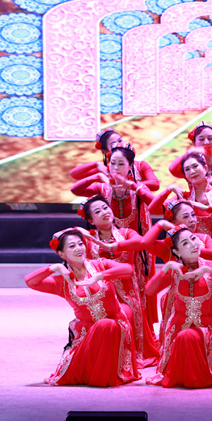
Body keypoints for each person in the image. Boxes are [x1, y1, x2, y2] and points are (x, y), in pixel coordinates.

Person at [25, 229, 140, 386]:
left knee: (105, 324)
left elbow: (128, 270)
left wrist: (99, 276)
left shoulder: (100, 265)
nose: (79, 248)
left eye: (80, 244)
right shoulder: (62, 282)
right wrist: (54, 268)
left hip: (114, 326)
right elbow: (31, 281)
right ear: (61, 254)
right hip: (86, 335)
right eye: (72, 246)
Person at [70, 142, 158, 324]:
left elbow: (156, 205)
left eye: (121, 164)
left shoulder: (138, 187)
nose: (115, 168)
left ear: (130, 166)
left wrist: (134, 186)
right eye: (112, 163)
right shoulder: (103, 188)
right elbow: (75, 189)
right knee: (108, 285)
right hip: (107, 246)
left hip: (137, 246)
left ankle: (143, 329)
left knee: (140, 285)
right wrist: (96, 175)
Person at [162, 152, 212, 347]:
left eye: (195, 166)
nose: (192, 171)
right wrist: (168, 190)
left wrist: (208, 208)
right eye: (187, 169)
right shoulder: (184, 196)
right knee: (191, 293)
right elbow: (155, 209)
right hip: (188, 254)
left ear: (206, 168)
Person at [145, 225, 212, 388]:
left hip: (208, 327)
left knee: (188, 337)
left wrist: (208, 270)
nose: (193, 244)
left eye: (193, 238)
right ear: (176, 252)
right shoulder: (174, 270)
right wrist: (165, 269)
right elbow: (150, 290)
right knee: (185, 336)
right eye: (185, 243)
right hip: (178, 328)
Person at [77, 195, 159, 367]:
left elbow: (141, 243)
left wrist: (113, 246)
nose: (104, 212)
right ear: (91, 220)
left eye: (105, 208)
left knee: (127, 315)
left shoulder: (125, 233)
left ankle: (128, 355)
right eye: (97, 211)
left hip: (128, 293)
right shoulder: (88, 240)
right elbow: (59, 238)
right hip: (102, 294)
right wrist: (78, 231)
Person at [70, 128, 160, 191]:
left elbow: (155, 185)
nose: (119, 145)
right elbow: (74, 175)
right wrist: (96, 164)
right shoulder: (105, 170)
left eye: (120, 140)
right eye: (113, 144)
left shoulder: (140, 165)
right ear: (105, 151)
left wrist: (129, 184)